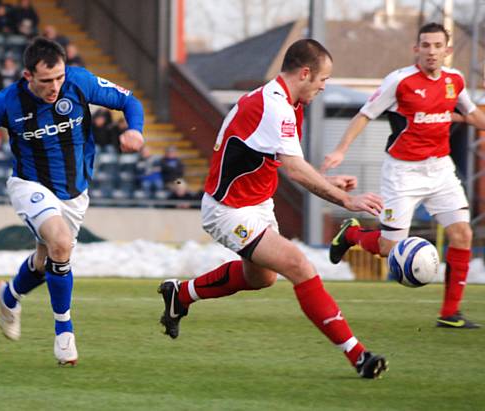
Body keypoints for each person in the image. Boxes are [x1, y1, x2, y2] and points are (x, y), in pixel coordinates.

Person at [158, 39, 388, 379]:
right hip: (228, 209)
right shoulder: (274, 105)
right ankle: (358, 356)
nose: (325, 86)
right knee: (299, 265)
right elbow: (294, 168)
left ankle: (181, 294)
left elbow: (284, 160)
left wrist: (329, 181)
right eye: (323, 79)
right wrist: (346, 200)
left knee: (262, 278)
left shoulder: (288, 101)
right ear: (305, 73)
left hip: (257, 203)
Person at [0, 37, 144, 365]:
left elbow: (130, 101)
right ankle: (64, 333)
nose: (55, 87)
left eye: (59, 77)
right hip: (29, 185)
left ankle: (9, 295)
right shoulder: (6, 102)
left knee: (45, 259)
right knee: (61, 244)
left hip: (75, 193)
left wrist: (135, 130)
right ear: (27, 75)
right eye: (46, 80)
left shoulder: (80, 82)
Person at [321, 23, 485, 329]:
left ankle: (450, 314)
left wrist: (473, 118)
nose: (432, 51)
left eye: (438, 46)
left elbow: (472, 113)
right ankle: (352, 234)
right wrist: (341, 150)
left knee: (462, 233)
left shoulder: (455, 81)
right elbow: (364, 114)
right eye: (426, 45)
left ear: (447, 51)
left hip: (440, 169)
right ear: (416, 49)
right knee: (387, 248)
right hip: (403, 173)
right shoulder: (400, 81)